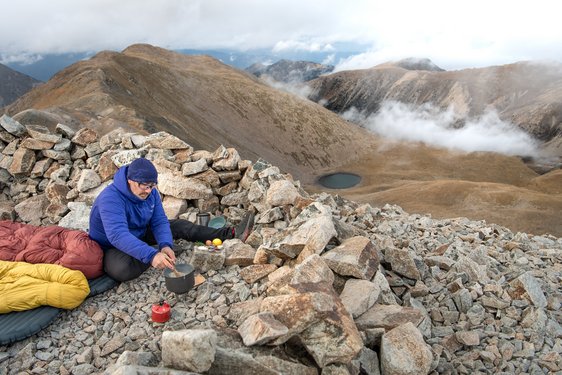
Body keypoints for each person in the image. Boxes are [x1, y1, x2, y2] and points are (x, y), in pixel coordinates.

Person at [89, 157, 254, 282]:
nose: (148, 190)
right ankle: (151, 253)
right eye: (144, 186)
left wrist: (165, 244)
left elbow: (159, 221)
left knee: (180, 226)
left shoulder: (150, 192)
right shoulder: (110, 199)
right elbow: (117, 235)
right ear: (130, 181)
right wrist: (152, 255)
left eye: (152, 186)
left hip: (140, 232)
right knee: (122, 270)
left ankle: (229, 234)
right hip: (112, 246)